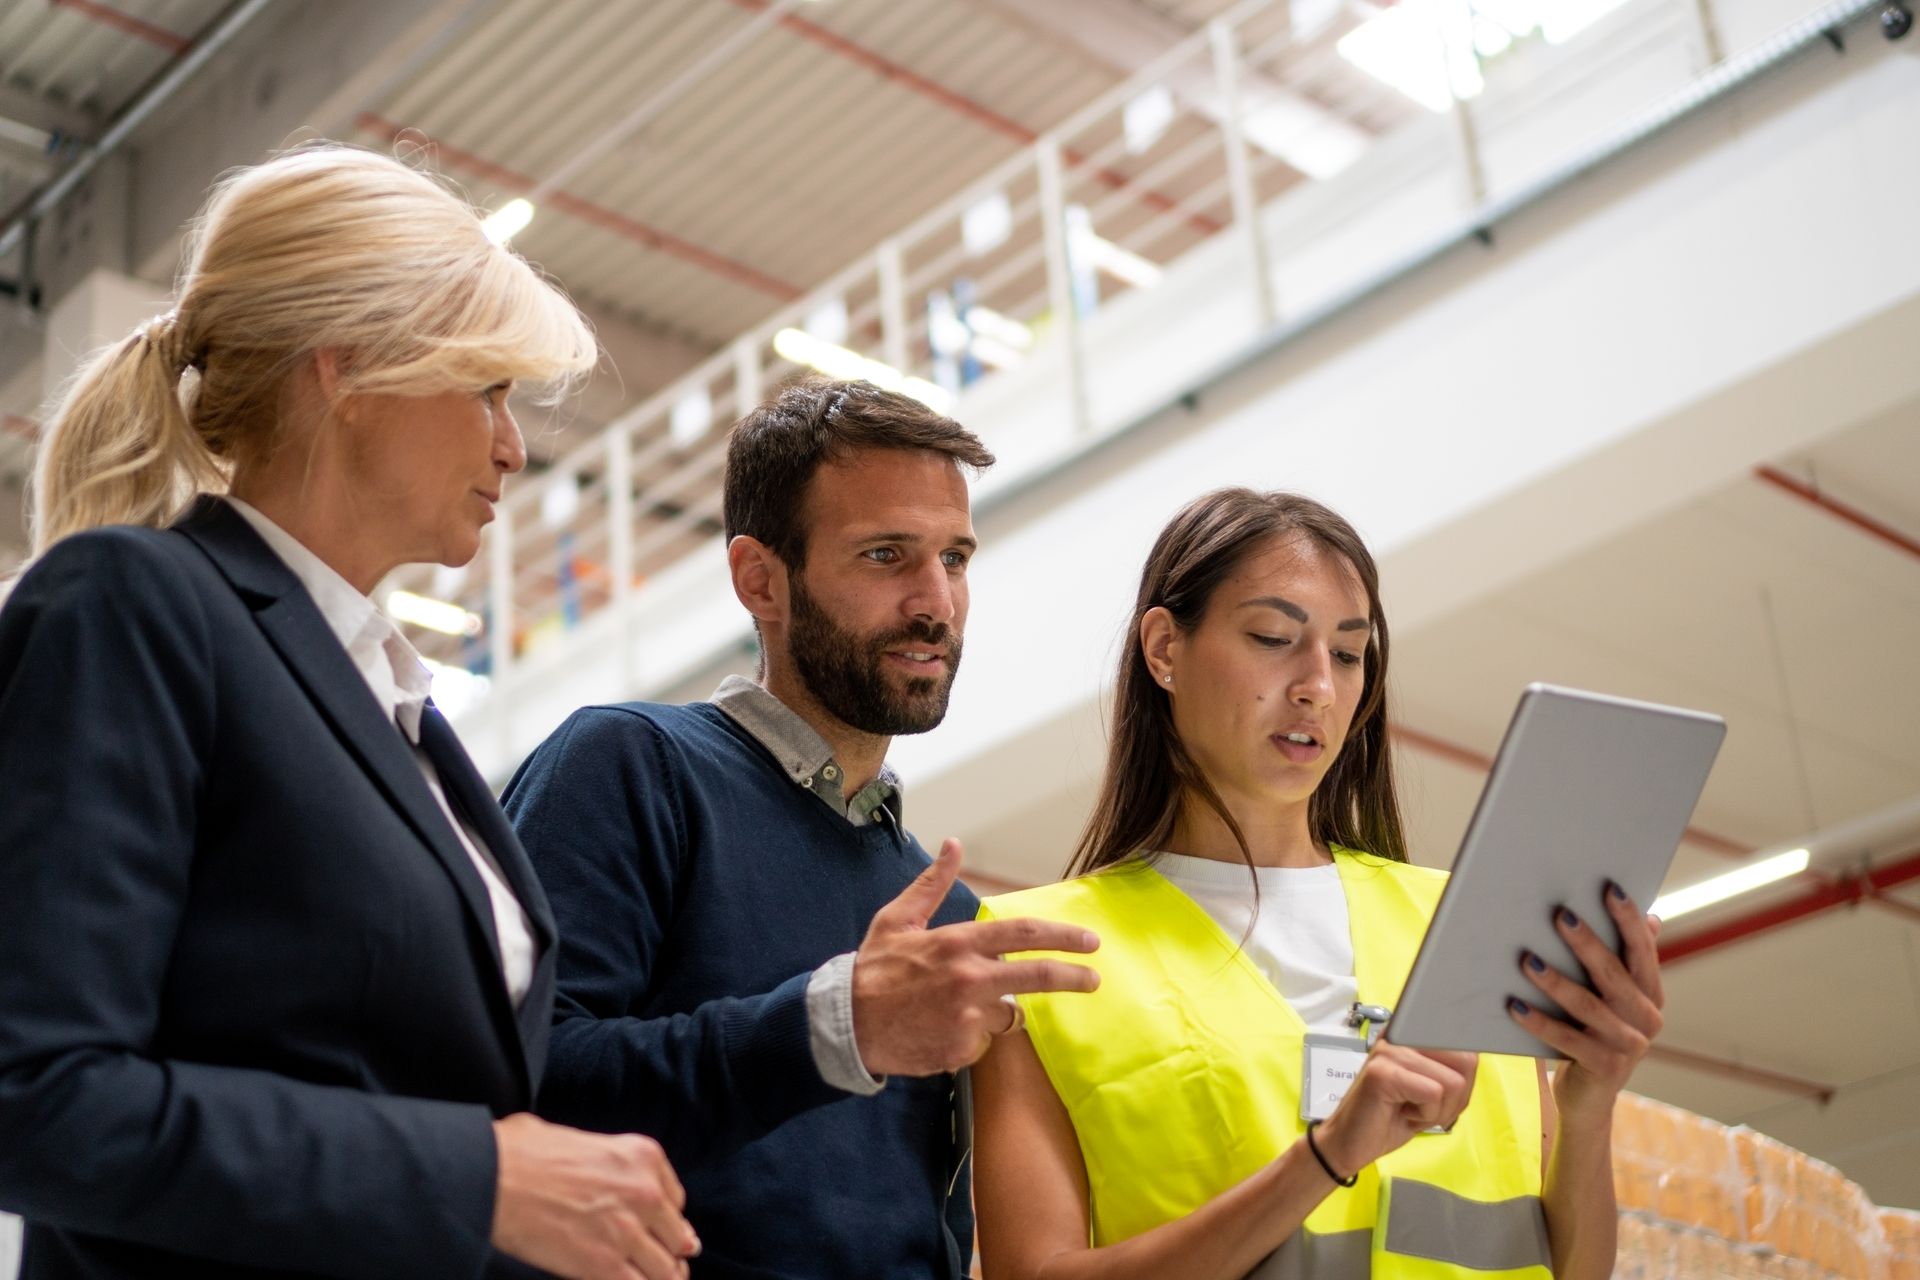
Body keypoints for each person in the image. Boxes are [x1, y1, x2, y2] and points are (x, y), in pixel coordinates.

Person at [0, 144, 698, 1280]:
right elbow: (37, 1091)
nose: (513, 446)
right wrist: (479, 1175)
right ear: (351, 366)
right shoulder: (137, 604)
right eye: (488, 389)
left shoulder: (388, 698)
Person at [973, 488, 1665, 1280]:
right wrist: (1328, 1156)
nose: (1319, 689)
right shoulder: (1039, 959)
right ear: (1164, 649)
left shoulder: (1464, 918)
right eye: (1273, 638)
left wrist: (1589, 1105)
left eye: (1347, 653)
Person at [503, 377, 1102, 1280]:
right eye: (886, 555)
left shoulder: (943, 911)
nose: (935, 601)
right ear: (760, 580)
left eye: (956, 557)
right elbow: (521, 1085)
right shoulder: (631, 765)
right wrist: (834, 1025)